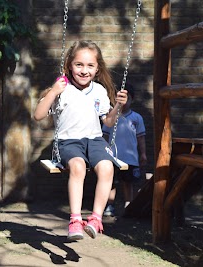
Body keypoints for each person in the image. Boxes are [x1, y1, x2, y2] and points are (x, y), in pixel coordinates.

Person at [34, 40, 128, 241]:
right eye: (79, 65)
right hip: (68, 141)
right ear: (69, 64)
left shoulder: (100, 91)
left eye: (90, 66)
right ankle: (75, 220)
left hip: (95, 140)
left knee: (107, 167)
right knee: (77, 167)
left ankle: (95, 219)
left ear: (97, 68)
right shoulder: (62, 89)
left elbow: (109, 123)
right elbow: (38, 115)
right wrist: (52, 92)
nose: (84, 70)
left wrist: (117, 106)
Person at [102, 83, 147, 216]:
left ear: (132, 100)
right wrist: (103, 151)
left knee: (128, 182)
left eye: (126, 99)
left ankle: (129, 204)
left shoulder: (137, 118)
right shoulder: (111, 116)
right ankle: (109, 205)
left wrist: (143, 154)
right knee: (110, 182)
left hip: (130, 157)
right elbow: (105, 135)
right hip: (112, 156)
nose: (123, 102)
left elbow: (141, 137)